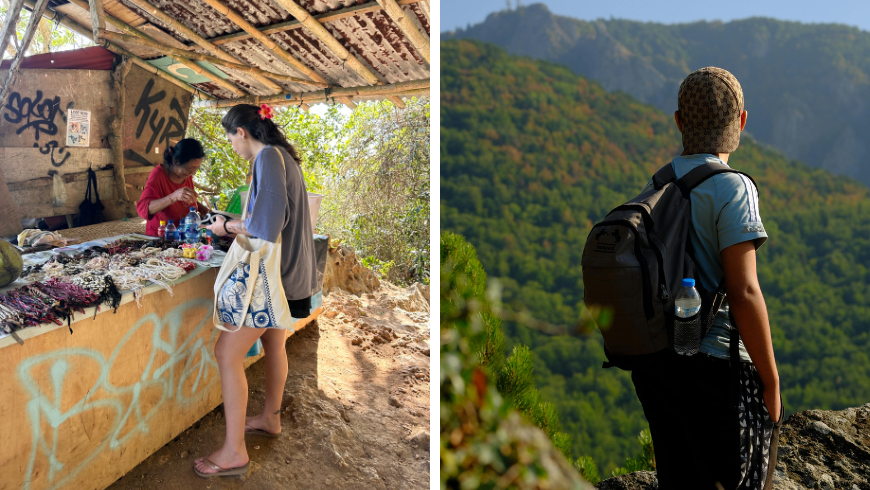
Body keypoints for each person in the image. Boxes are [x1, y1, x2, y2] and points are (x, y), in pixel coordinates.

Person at [631, 67, 782, 489]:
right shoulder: (734, 188)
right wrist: (771, 383)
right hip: (719, 368)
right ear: (742, 122)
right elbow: (745, 289)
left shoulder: (657, 183)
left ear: (679, 122)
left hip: (659, 366)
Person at [194, 104, 317, 477]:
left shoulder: (267, 159)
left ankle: (234, 451)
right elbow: (271, 219)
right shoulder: (281, 157)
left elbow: (264, 228)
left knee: (226, 351)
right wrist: (235, 222)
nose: (232, 145)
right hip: (292, 273)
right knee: (274, 343)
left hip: (273, 277)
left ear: (242, 133)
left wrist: (225, 229)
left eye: (230, 137)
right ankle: (270, 418)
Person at [136, 139, 210, 237]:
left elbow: (183, 198)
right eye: (189, 168)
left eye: (195, 169)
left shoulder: (185, 174)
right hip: (161, 237)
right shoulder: (158, 176)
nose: (191, 173)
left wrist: (202, 208)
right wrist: (173, 197)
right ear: (175, 161)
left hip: (183, 234)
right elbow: (143, 209)